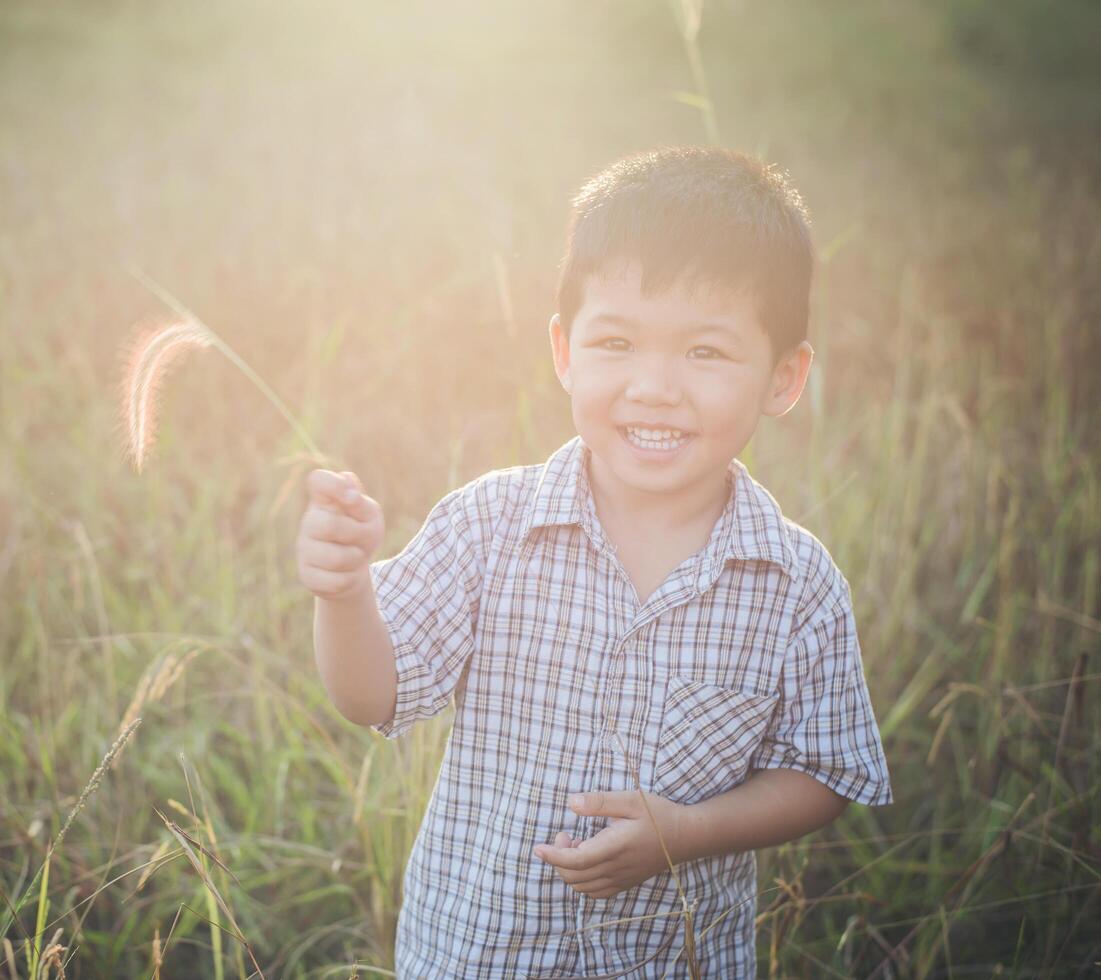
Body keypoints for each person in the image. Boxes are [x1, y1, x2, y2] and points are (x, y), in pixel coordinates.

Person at [295, 145, 892, 978]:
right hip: (477, 954)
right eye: (615, 341)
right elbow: (372, 695)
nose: (653, 385)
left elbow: (821, 771)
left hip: (673, 961)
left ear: (783, 378)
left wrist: (686, 835)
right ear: (564, 351)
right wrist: (344, 593)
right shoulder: (486, 527)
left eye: (704, 353)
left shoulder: (795, 585)